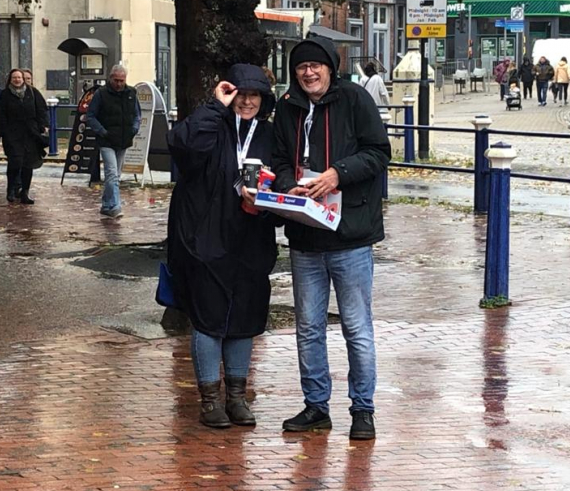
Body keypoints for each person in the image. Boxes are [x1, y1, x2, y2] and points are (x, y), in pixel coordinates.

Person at [271, 37, 391, 440]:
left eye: (315, 66)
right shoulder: (286, 106)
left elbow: (378, 152)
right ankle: (316, 406)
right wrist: (290, 186)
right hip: (305, 237)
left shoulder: (355, 99)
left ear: (329, 68)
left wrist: (336, 174)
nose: (308, 72)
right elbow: (277, 160)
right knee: (308, 327)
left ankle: (363, 410)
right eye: (301, 66)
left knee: (357, 327)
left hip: (351, 236)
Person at [167, 64, 278, 428]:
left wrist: (265, 204)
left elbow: (283, 182)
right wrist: (216, 106)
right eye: (240, 94)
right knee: (209, 318)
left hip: (251, 238)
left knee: (243, 319)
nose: (246, 101)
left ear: (264, 100)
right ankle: (210, 400)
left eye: (254, 95)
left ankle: (237, 396)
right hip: (204, 238)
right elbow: (182, 144)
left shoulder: (270, 135)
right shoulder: (213, 126)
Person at [86, 65, 141, 218]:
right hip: (106, 139)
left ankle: (107, 203)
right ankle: (115, 206)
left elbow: (137, 114)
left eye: (121, 81)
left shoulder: (131, 93)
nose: (119, 84)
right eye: (116, 80)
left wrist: (134, 129)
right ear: (110, 78)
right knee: (111, 173)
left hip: (123, 138)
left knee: (116, 174)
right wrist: (103, 131)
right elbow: (91, 116)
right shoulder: (101, 94)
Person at [0, 69, 49, 205]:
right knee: (15, 162)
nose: (17, 80)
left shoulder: (32, 92)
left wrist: (43, 125)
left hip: (30, 133)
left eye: (19, 77)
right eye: (14, 78)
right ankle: (11, 189)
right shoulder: (5, 95)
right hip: (12, 133)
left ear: (23, 79)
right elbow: (0, 114)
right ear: (10, 80)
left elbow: (41, 110)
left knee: (28, 164)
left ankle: (25, 192)